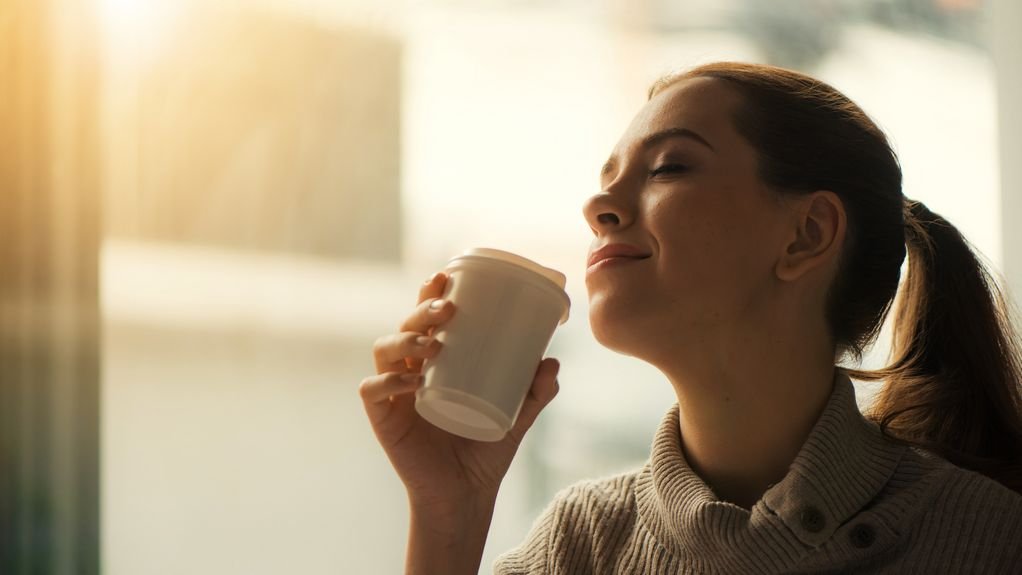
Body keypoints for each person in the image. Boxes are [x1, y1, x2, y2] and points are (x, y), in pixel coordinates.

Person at [359, 62, 1022, 574]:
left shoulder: (989, 540)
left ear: (808, 233)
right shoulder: (582, 544)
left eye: (669, 166)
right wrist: (450, 509)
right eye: (608, 175)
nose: (598, 204)